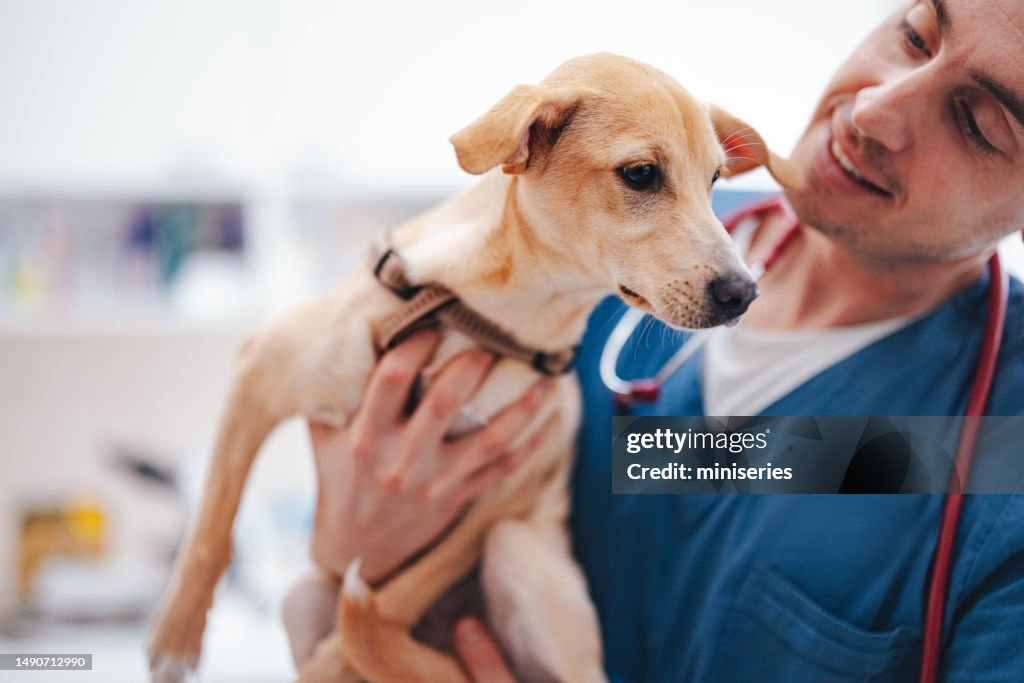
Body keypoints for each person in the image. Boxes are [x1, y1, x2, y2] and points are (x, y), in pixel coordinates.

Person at [307, 0, 1024, 679]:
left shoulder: (1000, 446)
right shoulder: (604, 220)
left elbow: (746, 463)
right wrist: (345, 550)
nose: (873, 111)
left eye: (978, 123)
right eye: (915, 34)